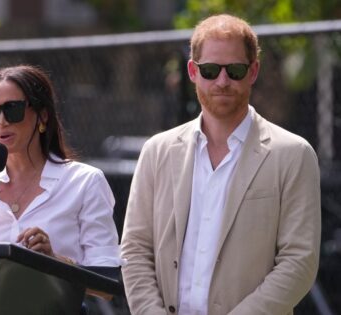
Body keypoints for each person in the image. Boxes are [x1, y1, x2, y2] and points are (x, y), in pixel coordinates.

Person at [121, 14, 321, 315]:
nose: (222, 81)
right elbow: (135, 248)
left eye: (235, 70)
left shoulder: (293, 154)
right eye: (211, 70)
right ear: (192, 71)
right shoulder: (157, 151)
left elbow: (299, 262)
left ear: (253, 72)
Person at [0, 64, 122, 268]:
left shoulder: (85, 182)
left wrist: (53, 261)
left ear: (43, 116)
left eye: (12, 109)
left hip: (55, 302)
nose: (1, 122)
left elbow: (106, 280)